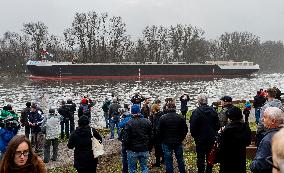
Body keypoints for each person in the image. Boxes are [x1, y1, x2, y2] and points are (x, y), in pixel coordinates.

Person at [190, 94, 220, 173]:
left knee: (200, 157)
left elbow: (192, 128)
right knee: (210, 157)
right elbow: (217, 125)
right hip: (211, 138)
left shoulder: (196, 112)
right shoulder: (213, 111)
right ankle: (209, 170)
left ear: (198, 101)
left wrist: (195, 136)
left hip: (200, 139)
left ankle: (200, 171)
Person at [250, 107, 284, 173]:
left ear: (273, 121)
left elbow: (260, 165)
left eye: (265, 117)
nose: (262, 119)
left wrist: (252, 165)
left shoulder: (268, 140)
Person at [219, 106, 251, 173]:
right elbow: (248, 142)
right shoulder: (245, 128)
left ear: (230, 118)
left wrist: (219, 135)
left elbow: (222, 147)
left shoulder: (227, 130)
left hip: (228, 160)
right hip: (240, 157)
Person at [158, 101, 188, 173]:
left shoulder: (162, 118)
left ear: (167, 108)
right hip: (178, 141)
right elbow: (185, 130)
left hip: (166, 142)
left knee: (168, 161)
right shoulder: (180, 117)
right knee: (180, 159)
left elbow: (159, 131)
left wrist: (162, 139)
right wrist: (181, 138)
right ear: (175, 107)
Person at [123, 104, 152, 173]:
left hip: (132, 150)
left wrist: (127, 148)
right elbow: (151, 136)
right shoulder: (147, 121)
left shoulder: (129, 123)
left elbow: (126, 138)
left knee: (132, 169)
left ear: (132, 112)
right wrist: (149, 147)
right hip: (144, 148)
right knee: (144, 168)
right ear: (139, 111)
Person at [118, 104, 132, 173]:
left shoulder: (126, 119)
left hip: (125, 140)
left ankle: (125, 170)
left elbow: (120, 125)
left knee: (124, 156)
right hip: (132, 140)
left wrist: (121, 120)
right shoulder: (132, 118)